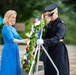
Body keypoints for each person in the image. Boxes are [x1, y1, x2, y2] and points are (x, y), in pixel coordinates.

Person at [37, 4, 70, 75]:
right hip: (50, 50)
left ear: (56, 13)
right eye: (49, 15)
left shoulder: (61, 24)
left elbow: (57, 38)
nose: (50, 17)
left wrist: (44, 41)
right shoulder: (50, 23)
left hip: (58, 50)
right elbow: (47, 35)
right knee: (50, 70)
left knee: (59, 69)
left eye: (51, 15)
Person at [0, 10, 29, 75]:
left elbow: (19, 38)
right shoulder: (6, 28)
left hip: (15, 50)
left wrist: (28, 40)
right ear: (8, 17)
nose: (14, 19)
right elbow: (12, 39)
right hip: (9, 51)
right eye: (12, 17)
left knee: (14, 69)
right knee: (9, 69)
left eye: (15, 18)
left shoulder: (13, 28)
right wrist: (23, 41)